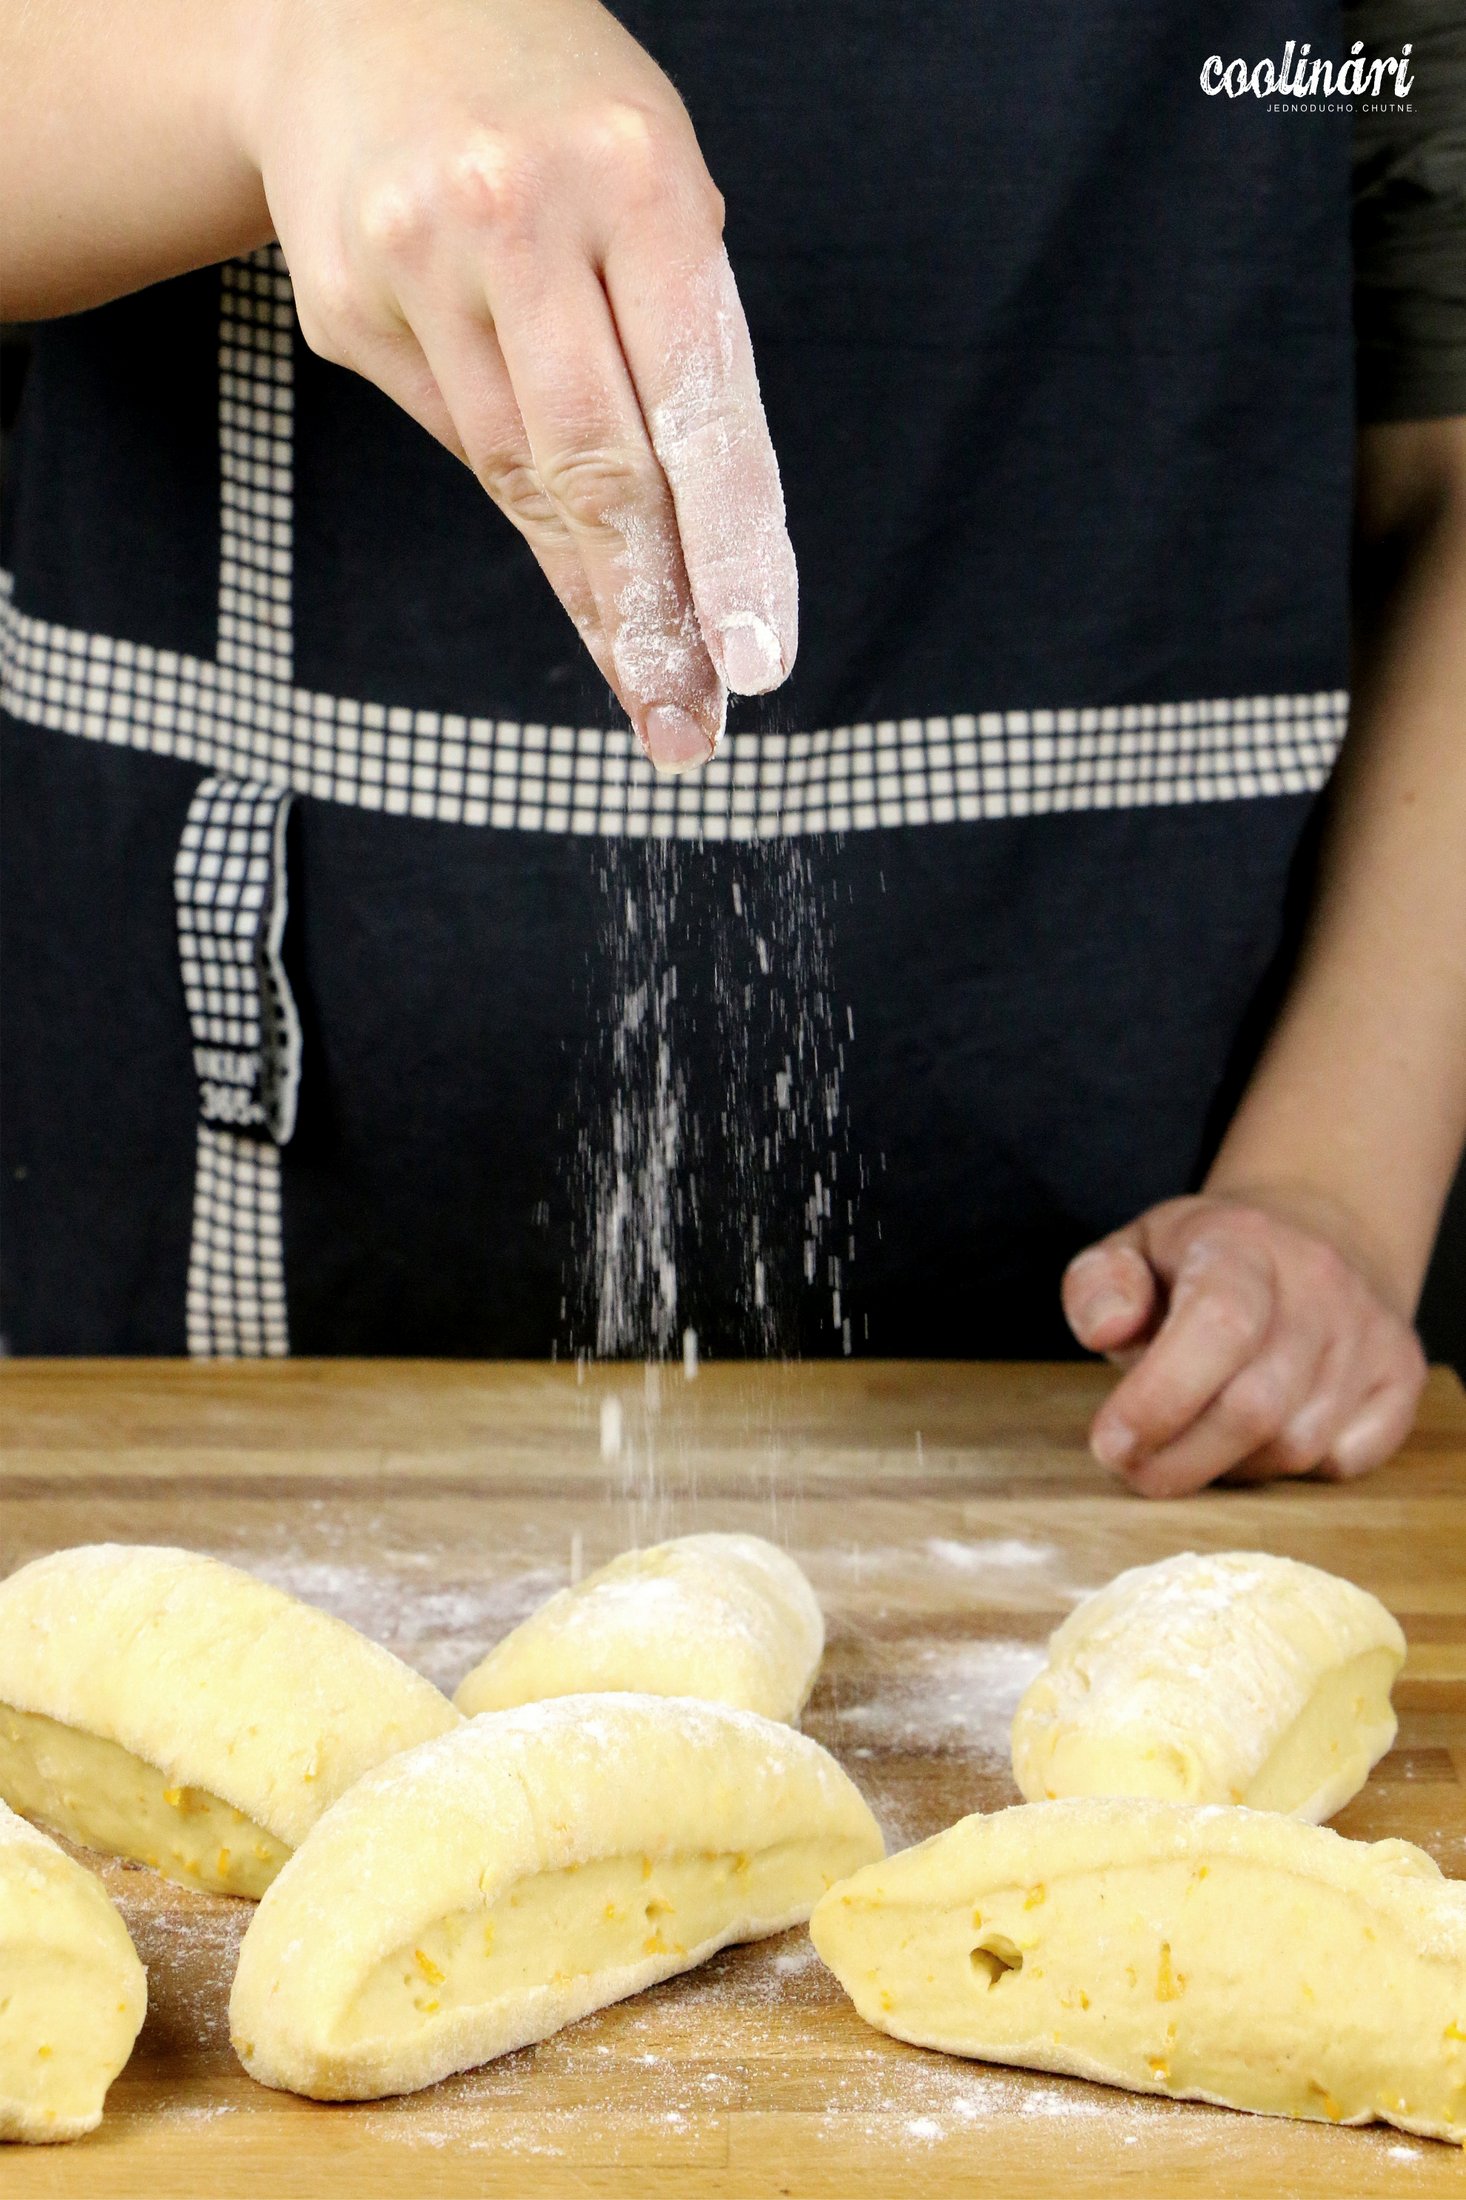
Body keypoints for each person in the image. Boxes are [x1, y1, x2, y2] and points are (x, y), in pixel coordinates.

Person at [2, 0, 1463, 1499]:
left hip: (1152, 1302)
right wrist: (277, 50)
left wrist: (1326, 1191)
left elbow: (1449, 456)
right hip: (197, 1250)